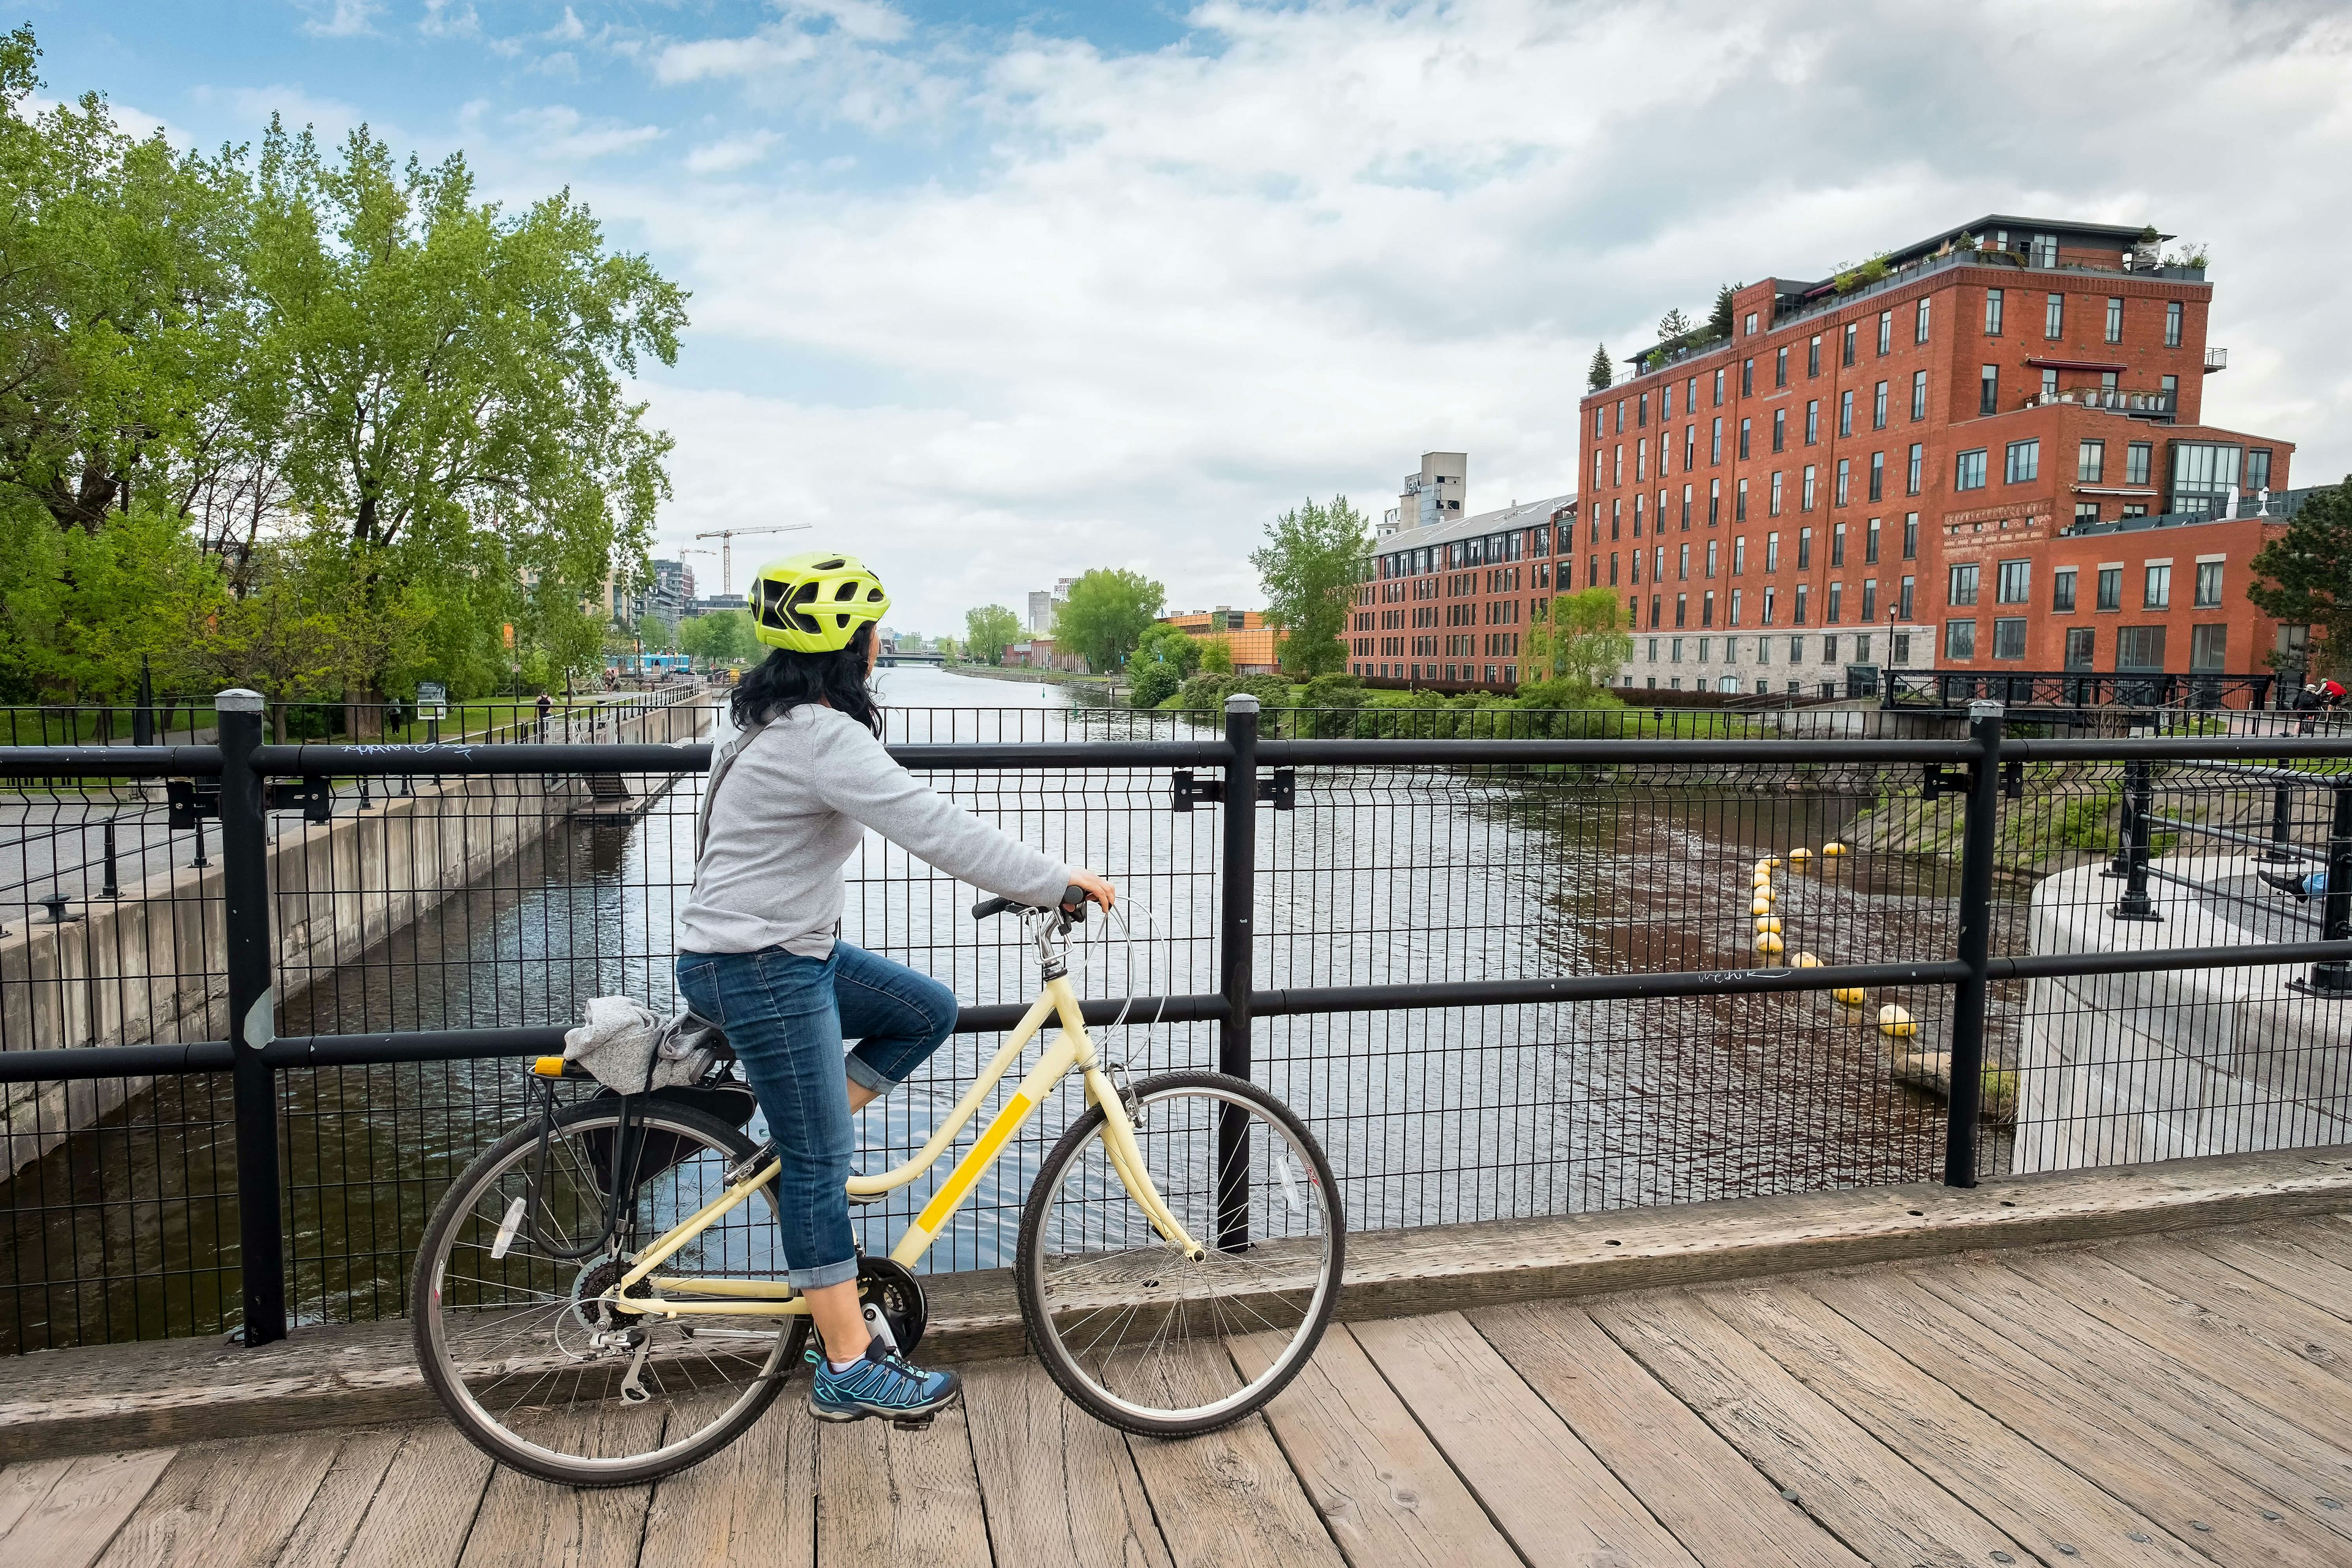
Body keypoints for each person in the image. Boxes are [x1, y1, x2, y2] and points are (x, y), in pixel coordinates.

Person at [674, 551, 1115, 1427]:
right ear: (855, 644)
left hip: (769, 954)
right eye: (874, 630)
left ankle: (800, 1132)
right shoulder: (821, 738)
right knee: (820, 1166)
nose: (880, 644)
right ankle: (845, 1365)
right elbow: (935, 828)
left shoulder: (757, 722)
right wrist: (1054, 878)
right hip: (762, 965)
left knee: (925, 1011)